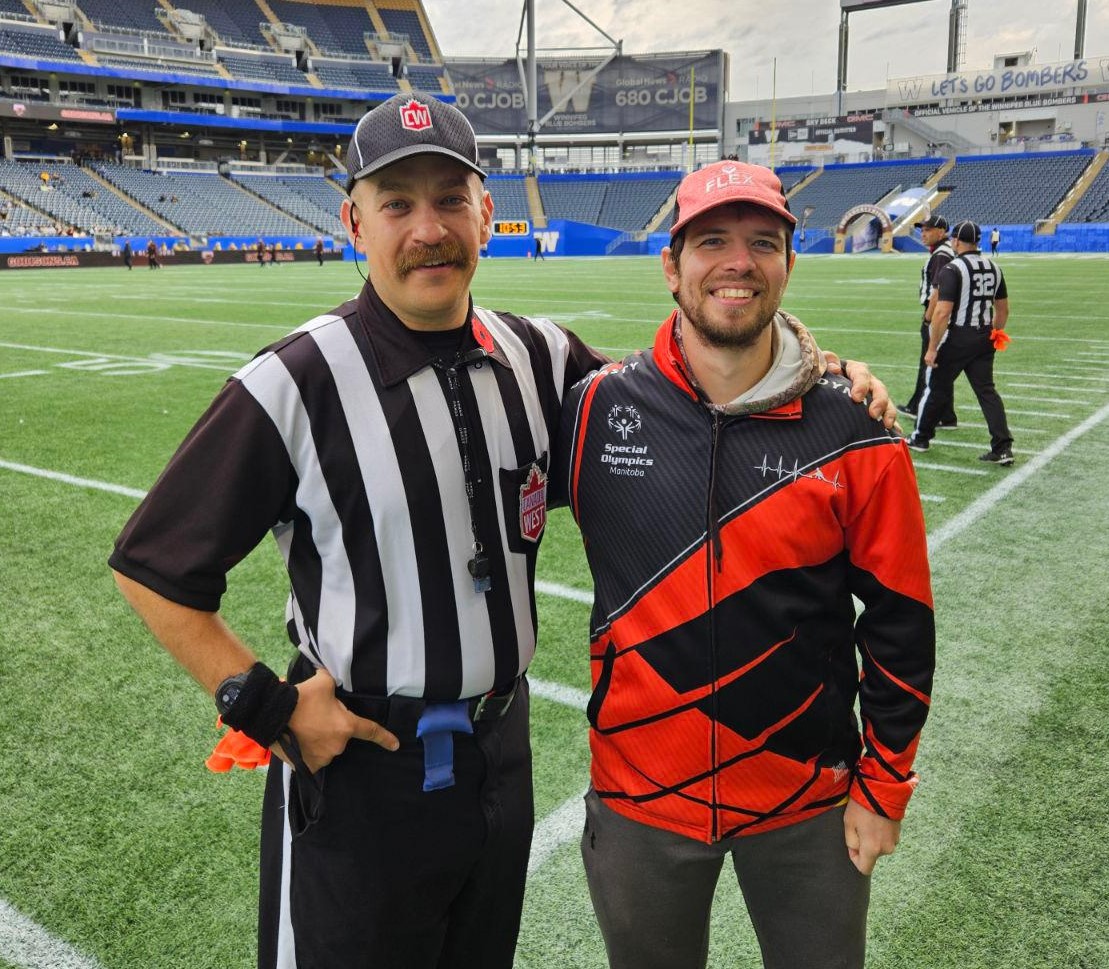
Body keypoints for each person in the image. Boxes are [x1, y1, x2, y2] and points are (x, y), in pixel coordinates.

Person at [109, 97, 892, 969]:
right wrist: (267, 707)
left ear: (487, 213)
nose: (427, 229)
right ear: (354, 221)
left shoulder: (540, 357)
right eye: (397, 203)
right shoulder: (296, 379)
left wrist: (814, 371)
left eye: (450, 199)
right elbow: (152, 563)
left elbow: (693, 402)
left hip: (497, 756)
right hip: (363, 771)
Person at [558, 160, 935, 969]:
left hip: (809, 800)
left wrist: (884, 785)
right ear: (671, 265)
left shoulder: (856, 428)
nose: (738, 262)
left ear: (787, 265)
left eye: (762, 242)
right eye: (712, 241)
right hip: (638, 796)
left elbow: (901, 621)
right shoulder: (595, 407)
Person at [907, 220, 1013, 465]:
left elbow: (943, 312)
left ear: (955, 241)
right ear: (978, 241)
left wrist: (932, 348)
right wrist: (996, 332)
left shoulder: (953, 269)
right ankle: (1003, 446)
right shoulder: (993, 267)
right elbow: (1003, 309)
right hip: (985, 336)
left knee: (936, 387)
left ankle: (920, 437)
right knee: (987, 391)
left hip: (958, 337)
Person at [900, 214, 957, 426]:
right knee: (938, 366)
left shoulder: (941, 255)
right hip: (942, 313)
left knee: (930, 365)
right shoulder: (943, 252)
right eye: (922, 230)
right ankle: (947, 415)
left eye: (928, 230)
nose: (923, 234)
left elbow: (938, 290)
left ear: (941, 232)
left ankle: (920, 407)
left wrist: (928, 319)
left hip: (936, 314)